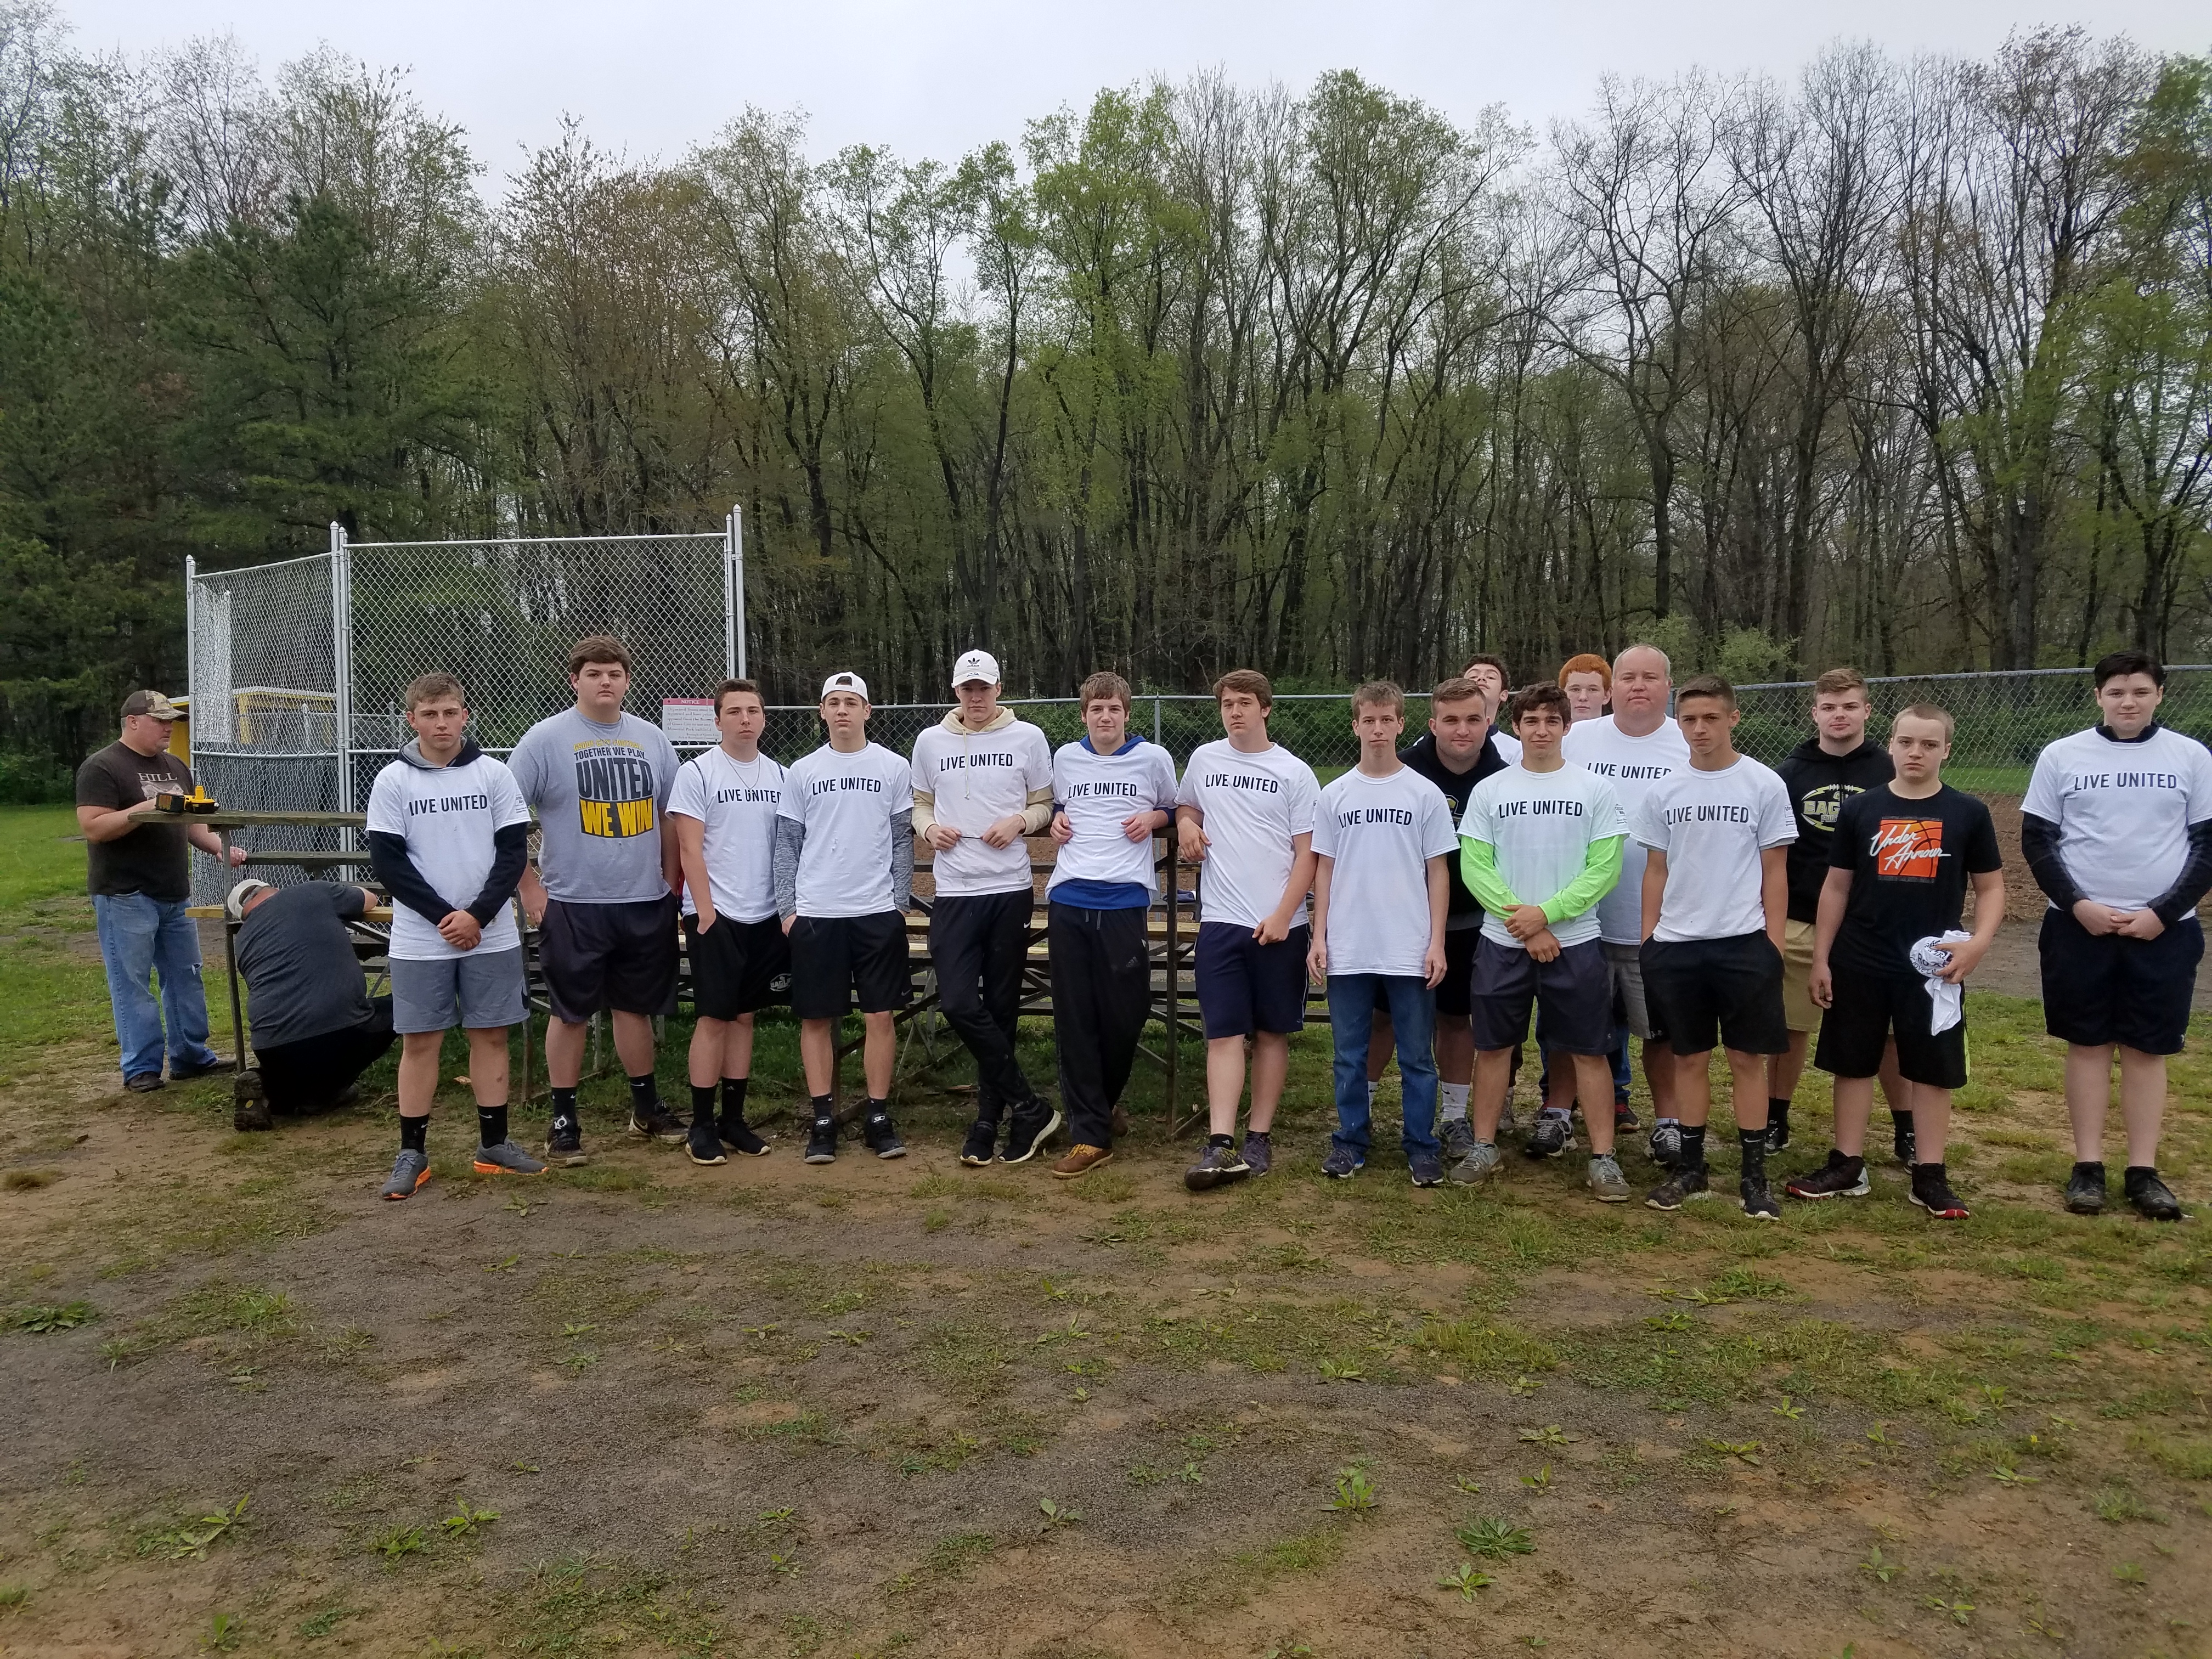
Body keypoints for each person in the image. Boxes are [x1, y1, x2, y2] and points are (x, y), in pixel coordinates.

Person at [2022, 651, 2212, 1222]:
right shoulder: (2063, 756)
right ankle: (2088, 1167)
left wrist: (2164, 911)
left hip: (2164, 931)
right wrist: (2078, 905)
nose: (2127, 701)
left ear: (2159, 695)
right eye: (2116, 692)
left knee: (2147, 1050)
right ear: (2098, 697)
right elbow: (2038, 839)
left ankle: (2143, 1170)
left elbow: (2206, 845)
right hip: (2080, 929)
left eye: (2139, 691)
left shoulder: (2191, 757)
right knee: (2088, 1045)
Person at [1797, 705, 2003, 1220]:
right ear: (1891, 744)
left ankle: (1930, 1174)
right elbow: (1836, 886)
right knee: (1852, 1063)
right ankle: (1846, 1163)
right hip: (1860, 959)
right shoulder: (1862, 810)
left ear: (1946, 750)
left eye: (1929, 745)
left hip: (1932, 968)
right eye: (1907, 742)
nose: (1916, 753)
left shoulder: (1967, 813)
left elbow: (1992, 886)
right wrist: (1822, 957)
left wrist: (1978, 943)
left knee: (1932, 1072)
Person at [365, 673, 539, 1198]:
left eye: (450, 713)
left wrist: (479, 916)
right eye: (429, 714)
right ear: (411, 719)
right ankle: (412, 1154)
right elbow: (389, 864)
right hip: (423, 938)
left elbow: (513, 852)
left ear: (465, 716)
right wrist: (446, 917)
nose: (441, 723)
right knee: (421, 1041)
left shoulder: (494, 774)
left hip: (490, 933)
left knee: (491, 1034)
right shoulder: (393, 781)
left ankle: (494, 1144)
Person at [511, 636, 684, 1165]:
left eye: (613, 673)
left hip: (643, 899)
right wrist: (530, 887)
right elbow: (506, 819)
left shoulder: (653, 740)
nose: (604, 682)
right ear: (575, 681)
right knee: (571, 1013)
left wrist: (672, 882)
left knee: (635, 1009)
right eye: (593, 674)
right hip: (573, 901)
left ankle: (645, 1108)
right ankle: (564, 1121)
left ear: (627, 681)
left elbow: (672, 815)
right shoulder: (545, 740)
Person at [1455, 683, 1630, 1200]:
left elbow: (1605, 869)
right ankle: (1484, 1146)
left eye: (1551, 722)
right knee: (1492, 1048)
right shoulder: (1491, 790)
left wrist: (1547, 916)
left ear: (1566, 727)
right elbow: (1475, 868)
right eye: (1530, 721)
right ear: (1515, 727)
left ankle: (1603, 1157)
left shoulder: (1594, 789)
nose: (1541, 731)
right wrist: (1526, 925)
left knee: (1589, 1052)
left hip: (1574, 942)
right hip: (1503, 943)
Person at [1632, 674, 1797, 1219]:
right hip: (1677, 947)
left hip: (1743, 944)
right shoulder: (1665, 791)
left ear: (1733, 718)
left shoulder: (1762, 785)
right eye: (1689, 720)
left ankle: (1754, 1178)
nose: (1699, 729)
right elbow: (1655, 869)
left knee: (1748, 1059)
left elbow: (1776, 871)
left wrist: (1771, 944)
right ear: (1679, 723)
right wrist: (1649, 937)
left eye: (1710, 718)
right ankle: (1692, 1168)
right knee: (1689, 1059)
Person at [911, 650, 1058, 1166]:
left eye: (984, 688)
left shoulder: (1028, 738)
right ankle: (1029, 1104)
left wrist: (1019, 822)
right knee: (957, 1003)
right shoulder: (931, 742)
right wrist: (928, 829)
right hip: (954, 890)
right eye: (967, 689)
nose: (976, 698)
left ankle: (988, 1120)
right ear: (955, 692)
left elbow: (1045, 804)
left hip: (1008, 889)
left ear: (999, 689)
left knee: (1000, 1009)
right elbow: (920, 803)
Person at [1309, 682, 1459, 1184]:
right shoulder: (1335, 795)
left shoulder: (1423, 793)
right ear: (1355, 726)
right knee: (1349, 1055)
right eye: (1368, 720)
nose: (1377, 729)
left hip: (1409, 947)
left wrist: (1436, 941)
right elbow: (1323, 870)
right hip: (1350, 946)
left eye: (1387, 720)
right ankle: (1350, 1142)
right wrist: (1319, 936)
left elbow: (1438, 871)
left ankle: (1422, 1146)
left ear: (1400, 725)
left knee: (1418, 1057)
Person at [1178, 670, 1321, 1191]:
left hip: (1279, 924)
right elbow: (1188, 804)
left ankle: (1258, 1133)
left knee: (1270, 1032)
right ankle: (1220, 1141)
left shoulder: (1295, 772)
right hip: (1220, 920)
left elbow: (1309, 853)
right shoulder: (1205, 759)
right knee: (1223, 1032)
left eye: (1244, 703)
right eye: (1226, 704)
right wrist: (1188, 824)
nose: (1234, 712)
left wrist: (1285, 915)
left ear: (1266, 709)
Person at [1365, 676, 1513, 1157]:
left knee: (1456, 1018)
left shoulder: (1504, 776)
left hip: (1471, 920)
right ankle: (1360, 1111)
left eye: (1473, 719)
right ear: (1432, 724)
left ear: (1489, 722)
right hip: (1403, 920)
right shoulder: (1403, 769)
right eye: (1450, 720)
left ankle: (1453, 1119)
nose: (1462, 730)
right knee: (1382, 1020)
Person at [1042, 672, 1180, 1180]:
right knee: (1075, 1018)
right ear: (1084, 715)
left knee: (1126, 1013)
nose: (1105, 717)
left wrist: (1156, 820)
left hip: (1125, 900)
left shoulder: (1153, 759)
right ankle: (1089, 1135)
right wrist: (1055, 819)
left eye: (1114, 709)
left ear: (1127, 714)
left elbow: (1174, 806)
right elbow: (1060, 807)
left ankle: (1100, 1105)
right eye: (1097, 709)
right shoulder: (1066, 758)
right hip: (1070, 897)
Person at [775, 671, 916, 1165]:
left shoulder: (893, 767)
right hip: (818, 912)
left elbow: (902, 837)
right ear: (822, 712)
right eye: (833, 702)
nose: (842, 711)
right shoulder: (802, 770)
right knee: (817, 1018)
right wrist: (788, 910)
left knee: (880, 1015)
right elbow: (788, 843)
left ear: (867, 712)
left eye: (851, 702)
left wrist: (899, 902)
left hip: (876, 911)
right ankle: (823, 1119)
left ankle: (877, 1115)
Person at [75, 690, 247, 1092]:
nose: (169, 727)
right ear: (132, 721)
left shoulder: (176, 766)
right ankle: (142, 1068)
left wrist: (221, 848)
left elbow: (189, 824)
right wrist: (144, 811)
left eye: (172, 720)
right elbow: (94, 827)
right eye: (160, 720)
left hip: (173, 891)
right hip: (124, 893)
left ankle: (191, 1056)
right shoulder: (102, 767)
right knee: (132, 982)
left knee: (186, 976)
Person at [1771, 667, 1909, 1159]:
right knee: (1789, 1025)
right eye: (1829, 707)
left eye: (1850, 706)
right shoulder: (1789, 774)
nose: (1840, 716)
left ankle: (1906, 1128)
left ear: (1868, 711)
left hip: (1875, 921)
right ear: (1815, 713)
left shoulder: (1891, 770)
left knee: (1890, 1032)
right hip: (1803, 915)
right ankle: (1775, 1117)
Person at [1561, 645, 1691, 1161]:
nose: (1639, 686)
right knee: (1573, 1027)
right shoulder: (1582, 740)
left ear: (1668, 687)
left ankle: (1669, 1122)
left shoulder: (1687, 742)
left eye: (1651, 677)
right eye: (1629, 678)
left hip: (1661, 923)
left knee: (1659, 1031)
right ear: (1611, 688)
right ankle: (1556, 1113)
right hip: (1583, 919)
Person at [669, 678, 788, 1166]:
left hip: (765, 914)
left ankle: (733, 1120)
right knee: (714, 1018)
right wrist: (706, 912)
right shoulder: (697, 774)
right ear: (717, 720)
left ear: (763, 719)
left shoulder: (781, 775)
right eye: (734, 711)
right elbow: (689, 849)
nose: (744, 719)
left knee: (745, 1016)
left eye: (753, 711)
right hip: (715, 915)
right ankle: (701, 1125)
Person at [231, 879, 394, 1115]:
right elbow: (369, 899)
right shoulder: (311, 891)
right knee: (404, 1005)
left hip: (272, 1046)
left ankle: (267, 1085)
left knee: (294, 1077)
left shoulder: (243, 940)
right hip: (344, 1031)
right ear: (271, 889)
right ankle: (326, 1092)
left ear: (243, 916)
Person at [1463, 655, 1522, 764]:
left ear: (1503, 695)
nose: (1481, 679)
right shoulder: (1431, 744)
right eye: (1473, 677)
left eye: (1490, 677)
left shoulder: (1516, 751)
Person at [1559, 653, 1612, 723]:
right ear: (1561, 695)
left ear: (1607, 696)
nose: (1583, 697)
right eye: (1575, 689)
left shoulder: (1619, 733)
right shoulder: (1546, 733)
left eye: (1592, 690)